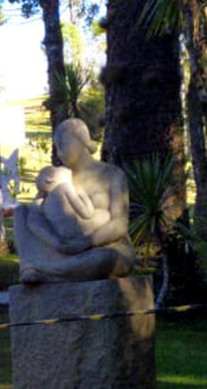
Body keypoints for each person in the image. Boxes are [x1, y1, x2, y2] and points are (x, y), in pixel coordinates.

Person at [14, 118, 138, 282]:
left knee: (107, 259)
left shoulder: (112, 175)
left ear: (81, 139)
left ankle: (44, 270)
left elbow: (119, 225)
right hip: (61, 249)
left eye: (63, 144)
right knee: (20, 212)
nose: (60, 152)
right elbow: (34, 216)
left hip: (105, 248)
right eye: (56, 147)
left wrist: (86, 243)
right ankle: (38, 267)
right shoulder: (57, 177)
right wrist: (56, 243)